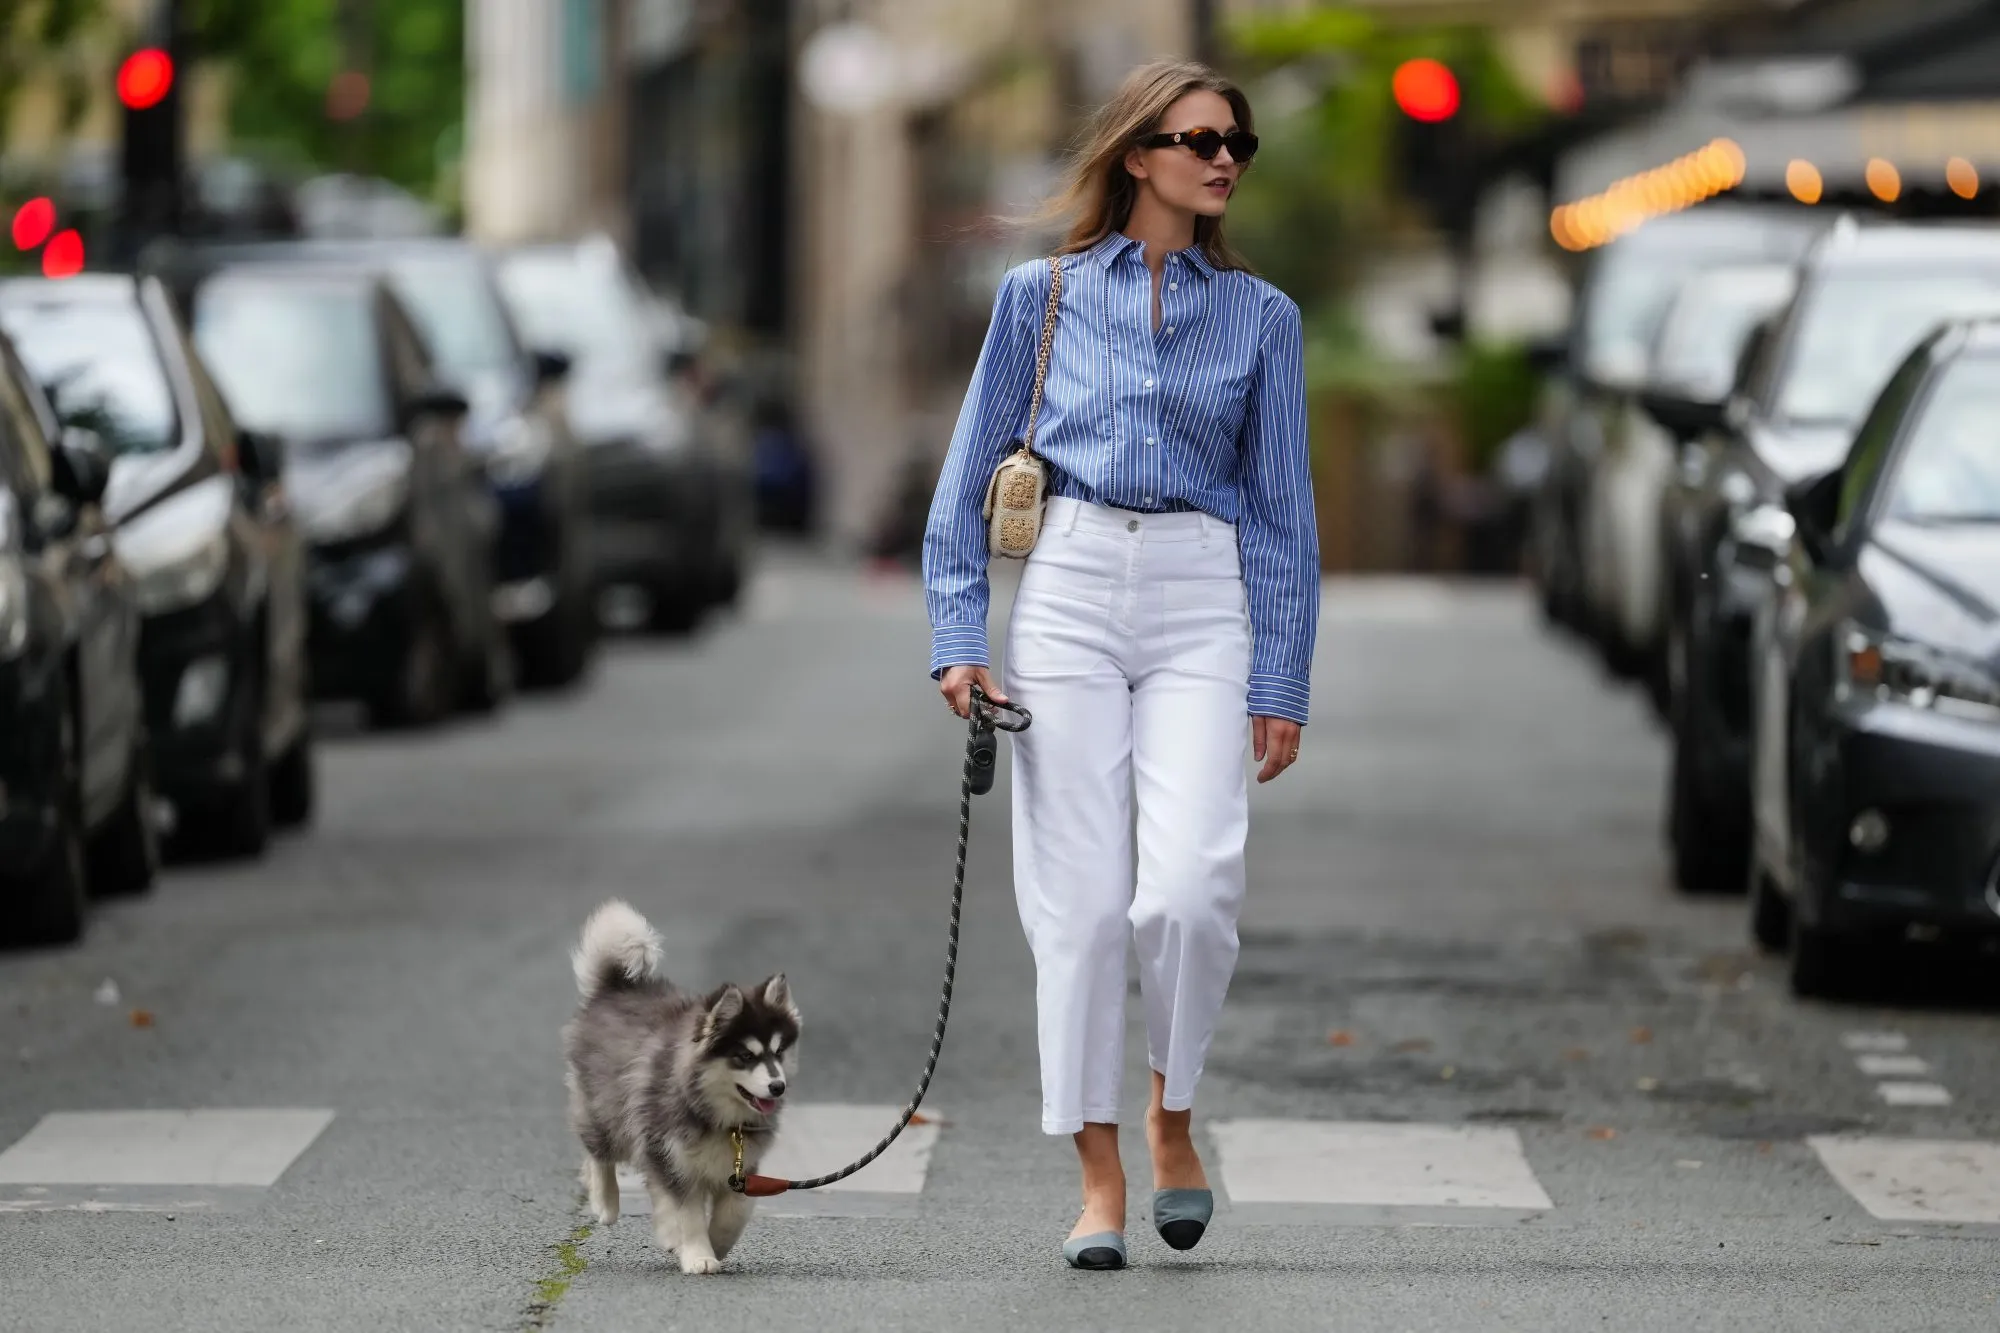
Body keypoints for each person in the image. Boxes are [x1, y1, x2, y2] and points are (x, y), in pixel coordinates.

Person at [921, 60, 1319, 1270]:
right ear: (1136, 154)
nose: (1222, 160)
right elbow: (965, 478)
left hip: (1205, 595)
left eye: (1236, 145)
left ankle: (1171, 1115)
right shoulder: (1035, 299)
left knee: (1189, 889)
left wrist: (1281, 675)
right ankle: (1097, 1174)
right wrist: (955, 638)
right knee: (1082, 910)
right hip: (1072, 588)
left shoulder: (1263, 319)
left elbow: (1283, 512)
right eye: (1199, 138)